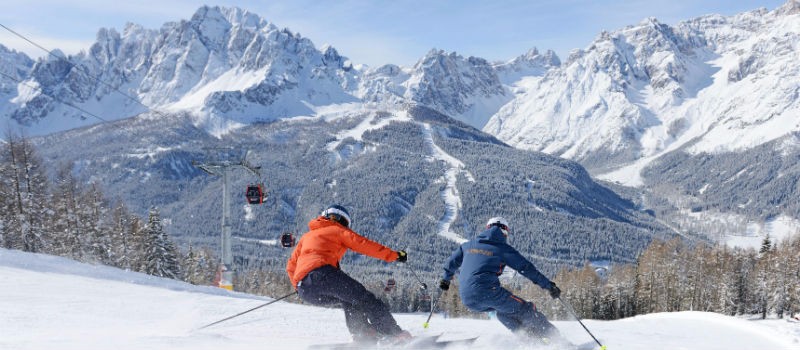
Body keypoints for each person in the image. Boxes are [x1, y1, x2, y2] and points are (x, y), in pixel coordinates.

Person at [286, 204, 412, 344]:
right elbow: (363, 244)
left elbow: (291, 266)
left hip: (305, 290)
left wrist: (298, 286)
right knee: (365, 298)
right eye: (345, 223)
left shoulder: (306, 237)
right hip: (323, 275)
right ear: (339, 220)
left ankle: (363, 334)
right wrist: (394, 255)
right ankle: (394, 333)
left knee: (349, 299)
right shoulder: (336, 230)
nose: (345, 226)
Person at [439, 216, 563, 344]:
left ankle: (529, 340)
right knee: (525, 309)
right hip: (488, 292)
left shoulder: (467, 246)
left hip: (466, 298)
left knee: (503, 312)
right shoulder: (502, 248)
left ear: (487, 228)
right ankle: (556, 339)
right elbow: (526, 268)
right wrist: (548, 286)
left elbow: (451, 263)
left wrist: (445, 280)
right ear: (505, 231)